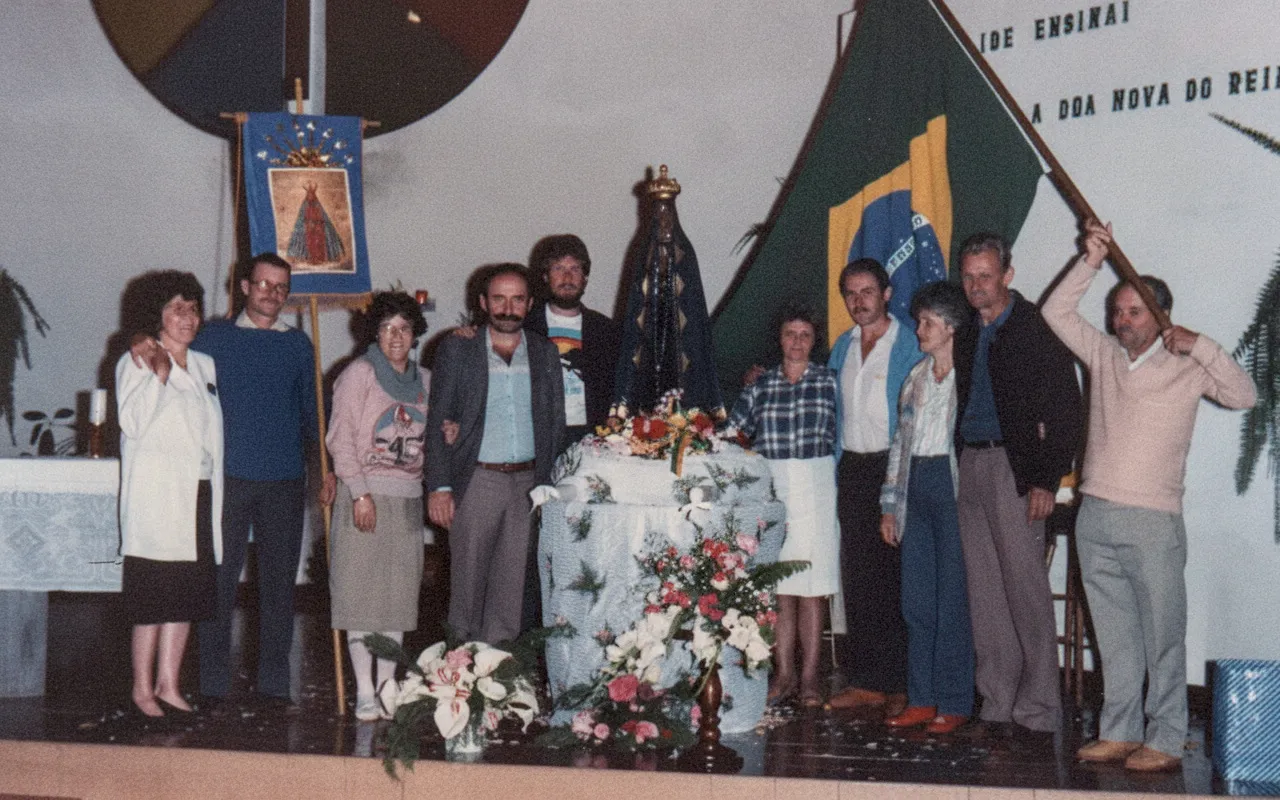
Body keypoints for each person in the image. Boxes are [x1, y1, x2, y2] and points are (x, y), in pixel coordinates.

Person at [1043, 220, 1256, 772]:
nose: (1120, 320)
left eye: (1134, 311)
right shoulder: (1104, 355)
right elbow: (1055, 314)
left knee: (1163, 637)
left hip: (1154, 521)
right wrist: (1091, 258)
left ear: (1160, 314)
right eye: (1117, 311)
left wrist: (1202, 344)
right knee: (1112, 636)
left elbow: (1244, 394)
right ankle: (1119, 729)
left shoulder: (1187, 366)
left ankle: (1164, 738)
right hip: (1095, 515)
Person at [158, 253, 327, 707]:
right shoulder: (214, 336)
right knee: (219, 581)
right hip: (227, 478)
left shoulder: (298, 345)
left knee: (278, 585)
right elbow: (167, 352)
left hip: (284, 479)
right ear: (245, 288)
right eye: (263, 284)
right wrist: (140, 340)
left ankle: (274, 681)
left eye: (280, 287)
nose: (272, 293)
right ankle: (212, 680)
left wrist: (325, 470)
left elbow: (313, 414)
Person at [953, 232, 1082, 737]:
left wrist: (1046, 479)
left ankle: (1039, 708)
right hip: (971, 463)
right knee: (984, 593)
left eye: (986, 276)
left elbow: (1067, 409)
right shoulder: (966, 332)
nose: (976, 286)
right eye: (968, 276)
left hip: (1017, 469)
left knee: (1026, 591)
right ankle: (997, 701)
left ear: (1007, 275)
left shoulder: (1035, 329)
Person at [426, 264, 565, 644]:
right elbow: (438, 420)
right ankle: (457, 675)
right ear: (484, 303)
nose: (508, 308)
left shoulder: (544, 352)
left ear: (529, 303)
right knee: (466, 584)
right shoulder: (458, 348)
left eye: (517, 299)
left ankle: (499, 675)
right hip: (477, 481)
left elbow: (555, 421)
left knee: (511, 588)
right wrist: (439, 486)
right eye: (499, 299)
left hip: (527, 484)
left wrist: (550, 484)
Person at [116, 271, 223, 718]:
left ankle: (169, 684)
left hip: (198, 491)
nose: (188, 317)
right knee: (153, 596)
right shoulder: (137, 360)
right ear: (157, 316)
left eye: (194, 308)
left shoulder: (204, 365)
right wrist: (159, 375)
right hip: (158, 499)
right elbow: (134, 423)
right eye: (177, 308)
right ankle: (142, 689)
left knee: (186, 594)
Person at [726, 303, 838, 708]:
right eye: (790, 334)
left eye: (805, 335)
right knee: (779, 588)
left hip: (818, 484)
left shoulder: (830, 381)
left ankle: (810, 678)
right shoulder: (760, 385)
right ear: (780, 338)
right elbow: (732, 434)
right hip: (773, 488)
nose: (796, 342)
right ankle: (784, 674)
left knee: (811, 588)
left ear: (814, 340)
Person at [324, 291, 429, 721]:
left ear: (415, 333)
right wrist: (360, 493)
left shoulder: (426, 379)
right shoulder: (360, 374)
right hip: (363, 497)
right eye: (387, 328)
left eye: (404, 328)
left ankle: (388, 687)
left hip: (407, 501)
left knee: (396, 601)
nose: (396, 337)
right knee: (360, 597)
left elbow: (434, 432)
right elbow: (340, 437)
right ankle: (365, 690)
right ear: (375, 333)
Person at [827, 258, 922, 715]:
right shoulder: (840, 348)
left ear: (886, 293)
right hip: (852, 470)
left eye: (867, 291)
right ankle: (867, 680)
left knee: (898, 576)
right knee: (859, 576)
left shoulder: (909, 345)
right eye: (850, 293)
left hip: (895, 468)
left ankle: (903, 682)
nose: (858, 301)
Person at [878, 281, 974, 735]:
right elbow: (900, 444)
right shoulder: (915, 377)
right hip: (916, 487)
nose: (919, 330)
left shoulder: (969, 378)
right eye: (920, 321)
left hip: (953, 491)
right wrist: (890, 506)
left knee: (951, 600)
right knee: (915, 600)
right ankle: (921, 697)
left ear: (951, 328)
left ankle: (954, 701)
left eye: (927, 323)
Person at [524, 234, 621, 445]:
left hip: (591, 438)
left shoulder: (607, 331)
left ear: (585, 277)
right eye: (558, 268)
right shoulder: (525, 327)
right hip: (535, 438)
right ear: (545, 276)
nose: (567, 278)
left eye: (575, 269)